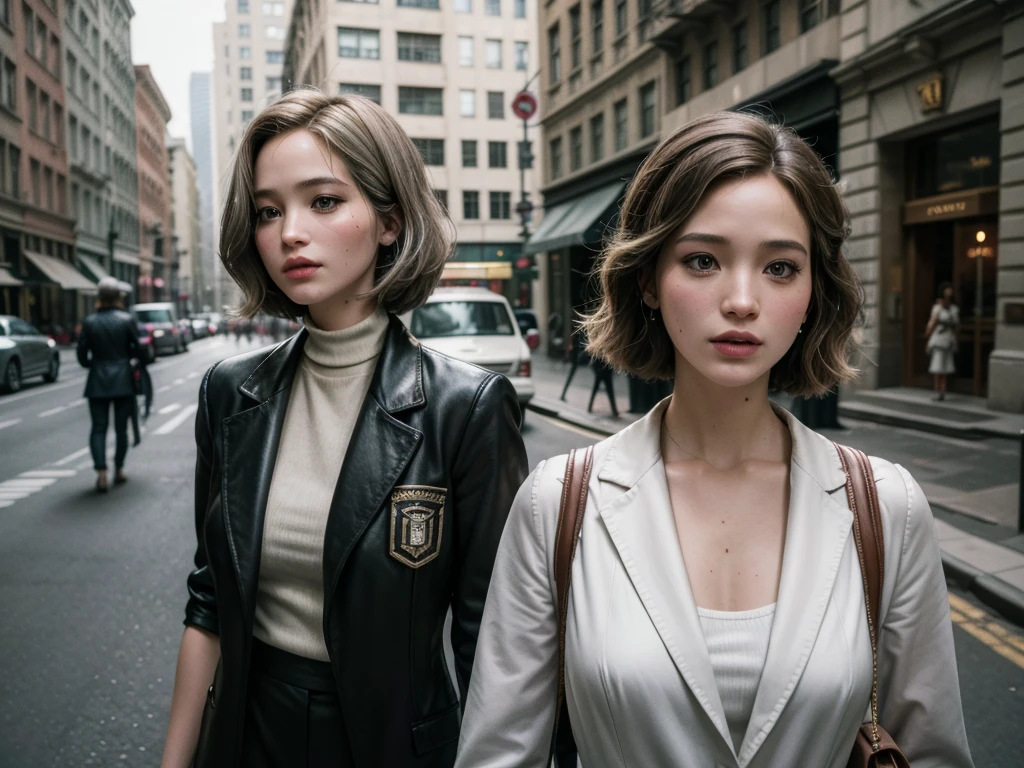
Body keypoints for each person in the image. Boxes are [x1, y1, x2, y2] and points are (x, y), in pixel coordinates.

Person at [455, 112, 972, 767]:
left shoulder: (887, 507)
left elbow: (932, 754)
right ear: (647, 278)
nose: (741, 300)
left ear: (814, 292)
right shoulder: (557, 504)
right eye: (703, 260)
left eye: (780, 267)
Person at [160, 89, 528, 768]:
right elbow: (210, 598)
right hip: (246, 736)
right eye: (269, 211)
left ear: (389, 221)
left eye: (323, 201)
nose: (289, 232)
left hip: (393, 746)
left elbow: (492, 641)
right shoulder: (228, 394)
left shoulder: (467, 408)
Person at [77, 277, 140, 493]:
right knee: (121, 429)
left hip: (97, 380)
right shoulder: (127, 319)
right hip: (123, 379)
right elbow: (139, 349)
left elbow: (81, 356)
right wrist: (129, 360)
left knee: (98, 428)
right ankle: (119, 469)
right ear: (118, 298)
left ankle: (101, 472)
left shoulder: (90, 322)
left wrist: (94, 365)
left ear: (99, 298)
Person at [925, 282, 959, 401]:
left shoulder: (954, 309)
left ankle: (942, 391)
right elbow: (931, 324)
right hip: (938, 339)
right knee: (937, 367)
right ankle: (937, 390)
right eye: (947, 289)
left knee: (944, 368)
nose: (949, 292)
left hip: (948, 340)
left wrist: (955, 339)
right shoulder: (937, 308)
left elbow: (955, 325)